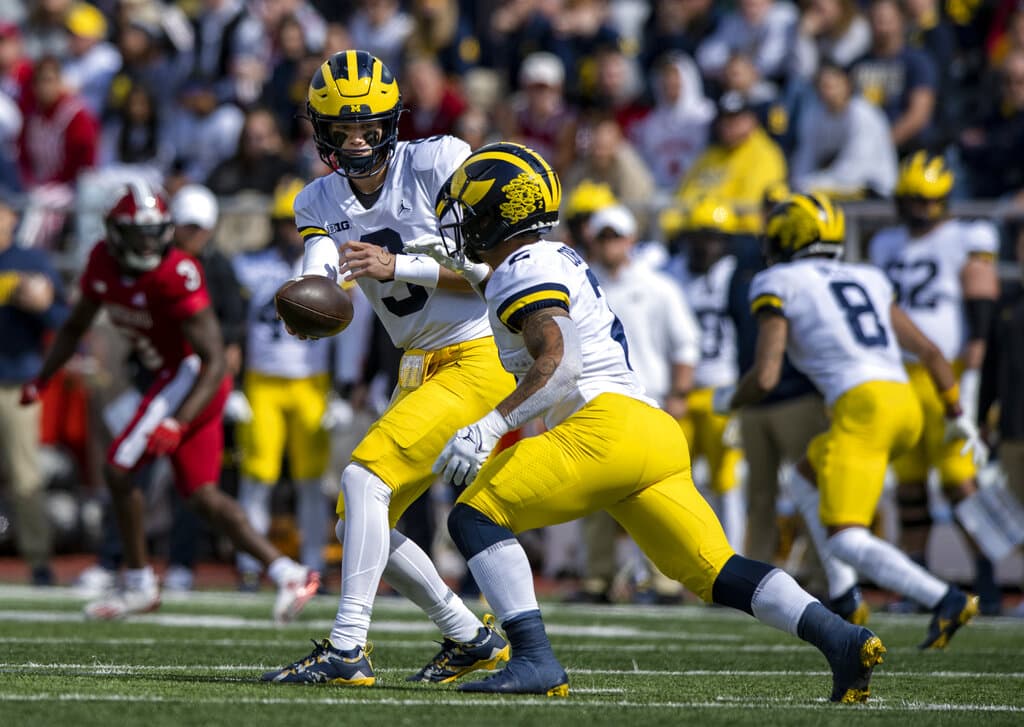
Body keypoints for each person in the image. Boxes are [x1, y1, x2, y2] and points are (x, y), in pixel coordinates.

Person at [410, 141, 886, 702]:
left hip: (602, 427)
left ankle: (535, 660)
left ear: (501, 214)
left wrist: (489, 426)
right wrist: (458, 272)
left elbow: (560, 364)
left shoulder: (521, 269)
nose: (460, 225)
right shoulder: (548, 258)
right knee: (715, 570)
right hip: (652, 431)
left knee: (474, 517)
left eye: (471, 212)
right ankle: (841, 637)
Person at [261, 50, 514, 687]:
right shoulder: (316, 197)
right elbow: (320, 261)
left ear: (392, 122)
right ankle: (470, 637)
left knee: (363, 478)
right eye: (342, 130)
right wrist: (309, 293)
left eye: (369, 127)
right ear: (319, 132)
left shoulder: (438, 162)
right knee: (359, 516)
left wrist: (398, 265)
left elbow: (498, 274)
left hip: (477, 351)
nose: (357, 140)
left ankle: (347, 647)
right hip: (417, 366)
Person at [20, 178, 319, 621]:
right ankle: (289, 572)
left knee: (119, 468)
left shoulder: (178, 271)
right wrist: (41, 379)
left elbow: (214, 360)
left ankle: (139, 583)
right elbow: (73, 327)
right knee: (201, 496)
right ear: (116, 232)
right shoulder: (102, 262)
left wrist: (177, 421)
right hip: (170, 377)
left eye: (154, 230)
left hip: (190, 378)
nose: (148, 242)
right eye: (137, 232)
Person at [717, 191, 982, 649]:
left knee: (846, 539)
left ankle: (946, 598)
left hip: (862, 408)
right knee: (804, 477)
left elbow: (765, 375)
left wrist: (731, 402)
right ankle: (843, 596)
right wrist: (958, 413)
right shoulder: (868, 277)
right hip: (905, 403)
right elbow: (931, 353)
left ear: (785, 238)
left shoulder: (777, 280)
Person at [868, 152, 1001, 614]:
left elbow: (982, 297)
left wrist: (976, 362)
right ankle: (919, 580)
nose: (917, 209)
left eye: (925, 200)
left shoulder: (966, 238)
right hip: (898, 374)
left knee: (958, 480)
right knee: (907, 484)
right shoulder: (886, 243)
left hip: (947, 372)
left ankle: (988, 575)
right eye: (910, 200)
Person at [570, 202, 700, 604]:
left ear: (632, 240)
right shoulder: (581, 283)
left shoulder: (658, 287)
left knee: (654, 495)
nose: (610, 244)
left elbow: (685, 346)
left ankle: (665, 582)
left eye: (616, 235)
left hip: (648, 399)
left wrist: (679, 394)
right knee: (591, 497)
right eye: (603, 236)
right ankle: (598, 578)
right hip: (594, 399)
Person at [232, 178, 335, 587]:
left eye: (296, 223)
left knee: (312, 480)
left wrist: (343, 388)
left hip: (312, 383)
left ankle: (314, 562)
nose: (290, 232)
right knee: (257, 477)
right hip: (262, 383)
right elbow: (235, 327)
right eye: (283, 222)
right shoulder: (250, 266)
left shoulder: (328, 266)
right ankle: (249, 563)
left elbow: (352, 335)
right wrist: (235, 383)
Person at [663, 197, 745, 548]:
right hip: (678, 390)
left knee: (727, 479)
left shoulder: (735, 275)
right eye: (698, 237)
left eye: (712, 238)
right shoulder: (671, 273)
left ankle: (733, 554)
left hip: (721, 389)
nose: (704, 246)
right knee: (670, 479)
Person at [0, 196, 67, 585]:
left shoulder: (31, 261)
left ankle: (38, 560)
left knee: (26, 475)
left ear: (12, 217)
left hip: (15, 382)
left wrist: (40, 305)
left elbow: (62, 316)